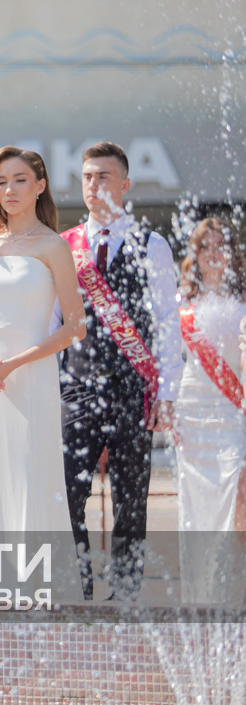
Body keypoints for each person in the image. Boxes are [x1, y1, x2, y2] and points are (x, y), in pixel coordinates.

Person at [55, 141, 183, 600]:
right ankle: (77, 588)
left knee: (131, 496)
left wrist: (167, 392)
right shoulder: (64, 246)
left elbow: (167, 322)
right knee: (68, 492)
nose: (93, 185)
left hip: (134, 388)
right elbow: (53, 321)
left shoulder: (152, 244)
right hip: (77, 387)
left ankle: (126, 594)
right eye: (87, 177)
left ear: (125, 184)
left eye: (104, 176)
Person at [0, 147, 86, 600]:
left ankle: (36, 591)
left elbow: (75, 326)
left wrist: (13, 364)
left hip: (31, 376)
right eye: (1, 181)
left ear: (40, 185)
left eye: (19, 180)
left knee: (30, 476)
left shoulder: (54, 245)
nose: (9, 190)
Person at [172, 217, 246, 602]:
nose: (213, 253)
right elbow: (170, 360)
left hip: (232, 408)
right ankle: (201, 595)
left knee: (237, 495)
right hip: (192, 412)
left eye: (221, 245)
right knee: (195, 501)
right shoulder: (181, 302)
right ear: (195, 254)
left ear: (233, 252)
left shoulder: (243, 300)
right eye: (205, 246)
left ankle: (234, 587)